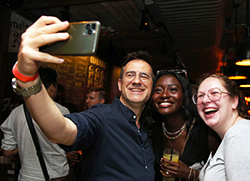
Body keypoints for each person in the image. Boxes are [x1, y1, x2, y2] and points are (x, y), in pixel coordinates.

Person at [13, 15, 155, 180]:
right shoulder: (102, 117)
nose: (137, 81)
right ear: (119, 84)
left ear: (152, 86)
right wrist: (27, 76)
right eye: (130, 75)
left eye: (144, 76)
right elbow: (61, 131)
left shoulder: (147, 126)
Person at [148, 70, 220, 181]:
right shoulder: (151, 131)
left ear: (185, 97)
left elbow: (221, 176)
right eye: (158, 90)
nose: (164, 95)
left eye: (173, 89)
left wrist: (189, 174)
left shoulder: (205, 131)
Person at [1, 67, 70, 181]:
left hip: (27, 176)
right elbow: (69, 145)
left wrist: (24, 143)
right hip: (56, 176)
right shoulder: (62, 112)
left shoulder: (15, 113)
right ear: (52, 86)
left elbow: (7, 153)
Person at [192, 73, 250, 181]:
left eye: (214, 93)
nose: (205, 100)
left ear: (234, 101)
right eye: (200, 95)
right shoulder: (229, 136)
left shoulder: (238, 134)